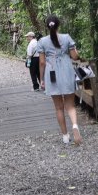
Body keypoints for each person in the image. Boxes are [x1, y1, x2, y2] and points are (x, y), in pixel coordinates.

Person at [37, 15, 82, 145]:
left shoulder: (42, 41)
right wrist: (74, 51)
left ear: (47, 26)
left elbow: (41, 62)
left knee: (58, 108)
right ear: (58, 25)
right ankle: (74, 125)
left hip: (52, 74)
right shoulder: (67, 37)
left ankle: (65, 136)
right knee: (70, 105)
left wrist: (41, 79)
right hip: (67, 71)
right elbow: (75, 57)